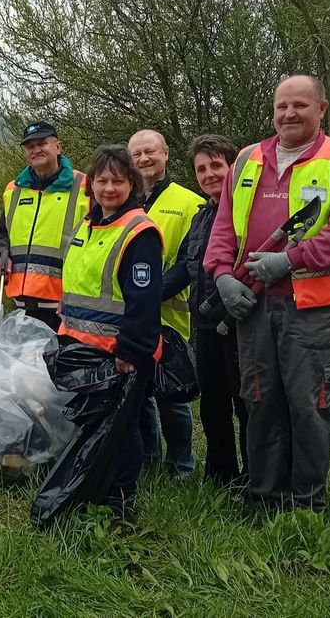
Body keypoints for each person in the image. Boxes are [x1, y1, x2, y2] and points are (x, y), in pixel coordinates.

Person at [204, 74, 330, 512]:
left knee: (308, 402)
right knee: (259, 399)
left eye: (300, 105)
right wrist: (222, 275)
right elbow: (225, 226)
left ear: (322, 108)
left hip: (310, 307)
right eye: (282, 106)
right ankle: (264, 496)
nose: (289, 114)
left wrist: (292, 259)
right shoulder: (245, 159)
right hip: (252, 304)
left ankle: (306, 503)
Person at [58, 144, 163, 510]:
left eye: (117, 181)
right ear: (91, 186)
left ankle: (120, 498)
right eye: (101, 181)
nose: (108, 189)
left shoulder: (139, 232)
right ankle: (96, 490)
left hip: (120, 351)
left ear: (131, 184)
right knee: (96, 425)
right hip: (81, 345)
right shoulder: (88, 225)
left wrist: (130, 351)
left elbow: (144, 300)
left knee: (123, 427)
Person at [162, 135, 246, 486]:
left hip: (241, 326)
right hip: (206, 326)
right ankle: (220, 477)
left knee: (247, 406)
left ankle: (254, 479)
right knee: (213, 407)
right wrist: (146, 294)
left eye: (216, 166)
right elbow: (186, 267)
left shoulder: (246, 212)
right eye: (202, 168)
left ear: (233, 168)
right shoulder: (201, 216)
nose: (210, 174)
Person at [129, 129, 204, 477]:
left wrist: (149, 294)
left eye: (150, 152)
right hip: (128, 316)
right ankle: (147, 460)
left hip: (170, 316)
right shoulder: (123, 198)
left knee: (171, 396)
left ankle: (181, 465)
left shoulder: (189, 202)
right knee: (137, 393)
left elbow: (190, 262)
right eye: (137, 154)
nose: (143, 159)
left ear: (166, 154)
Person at [0, 121, 89, 331]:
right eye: (30, 146)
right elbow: (3, 233)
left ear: (57, 147)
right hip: (21, 306)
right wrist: (1, 252)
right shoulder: (14, 189)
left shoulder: (85, 187)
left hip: (65, 308)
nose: (36, 150)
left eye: (42, 143)